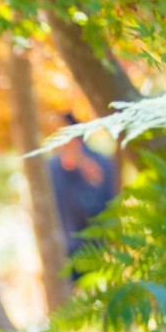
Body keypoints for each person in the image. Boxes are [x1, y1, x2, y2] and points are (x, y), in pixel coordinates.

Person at [47, 111, 120, 273]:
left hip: (96, 247)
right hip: (64, 248)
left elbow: (107, 206)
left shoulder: (100, 164)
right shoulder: (51, 168)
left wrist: (90, 180)